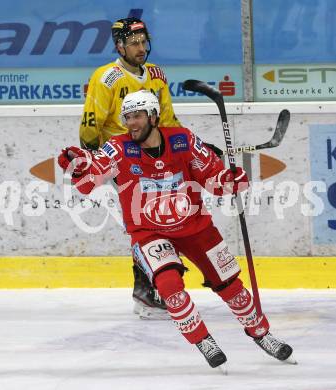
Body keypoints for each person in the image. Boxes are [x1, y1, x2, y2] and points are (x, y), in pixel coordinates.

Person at [59, 90, 295, 370]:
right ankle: (203, 340)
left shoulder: (184, 140)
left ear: (154, 117)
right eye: (127, 117)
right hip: (148, 232)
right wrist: (78, 166)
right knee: (169, 287)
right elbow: (88, 183)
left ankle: (261, 333)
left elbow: (212, 179)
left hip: (195, 227)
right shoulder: (118, 148)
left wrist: (230, 181)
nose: (131, 123)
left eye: (137, 116)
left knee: (232, 286)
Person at [79, 17, 182, 319]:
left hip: (154, 158)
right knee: (148, 222)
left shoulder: (157, 75)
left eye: (143, 42)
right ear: (120, 46)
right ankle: (146, 290)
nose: (140, 48)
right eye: (134, 43)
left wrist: (183, 149)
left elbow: (169, 120)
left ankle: (150, 286)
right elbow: (89, 130)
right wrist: (103, 163)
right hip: (123, 160)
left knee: (164, 218)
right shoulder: (107, 78)